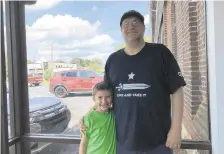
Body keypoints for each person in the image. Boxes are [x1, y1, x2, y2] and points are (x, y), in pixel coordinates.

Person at [80, 10, 186, 154]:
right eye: (126, 24)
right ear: (121, 30)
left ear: (143, 27)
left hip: (158, 142)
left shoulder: (160, 53)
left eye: (136, 22)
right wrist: (87, 117)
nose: (131, 26)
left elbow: (177, 89)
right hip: (122, 142)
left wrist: (176, 128)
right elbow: (104, 96)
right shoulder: (113, 60)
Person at [79, 81, 116, 154]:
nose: (104, 101)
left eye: (108, 97)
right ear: (94, 99)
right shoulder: (89, 118)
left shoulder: (114, 113)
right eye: (100, 97)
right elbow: (83, 143)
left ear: (112, 98)